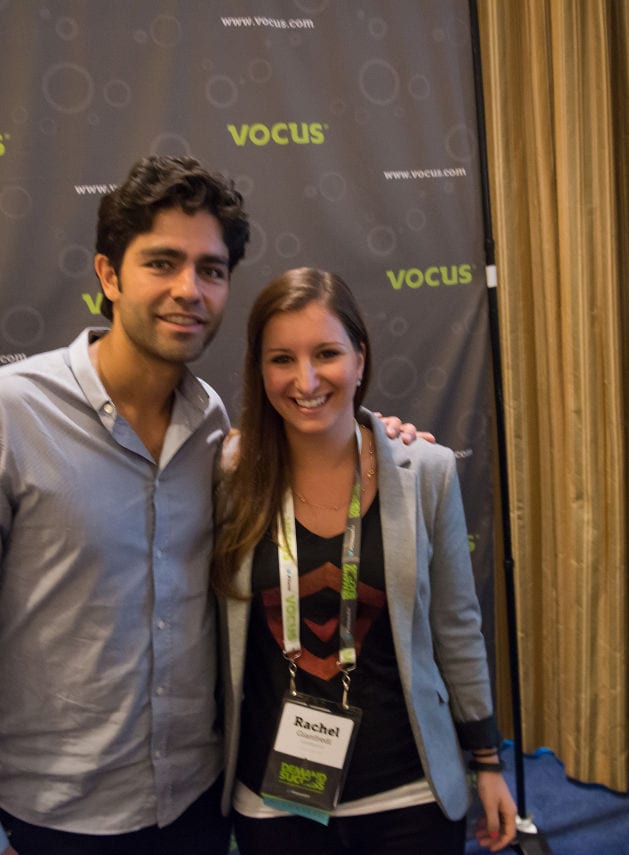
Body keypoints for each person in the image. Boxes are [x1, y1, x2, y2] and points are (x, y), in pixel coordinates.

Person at [0, 157, 422, 855]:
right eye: (162, 263)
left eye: (211, 269)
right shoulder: (3, 415)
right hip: (55, 821)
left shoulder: (214, 429)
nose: (188, 290)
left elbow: (322, 456)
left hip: (196, 805)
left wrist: (383, 441)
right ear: (109, 275)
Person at [212, 268, 517, 854]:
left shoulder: (425, 472)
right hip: (276, 799)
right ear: (259, 369)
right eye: (282, 359)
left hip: (408, 794)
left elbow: (455, 627)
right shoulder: (226, 477)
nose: (305, 380)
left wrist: (487, 761)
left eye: (326, 353)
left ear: (360, 358)